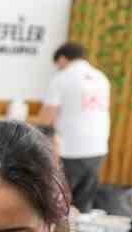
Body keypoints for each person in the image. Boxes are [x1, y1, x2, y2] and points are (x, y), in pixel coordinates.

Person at [37, 41, 112, 211]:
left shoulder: (62, 78)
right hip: (98, 147)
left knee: (60, 201)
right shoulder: (101, 77)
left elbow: (46, 117)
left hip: (71, 148)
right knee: (84, 202)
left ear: (62, 59)